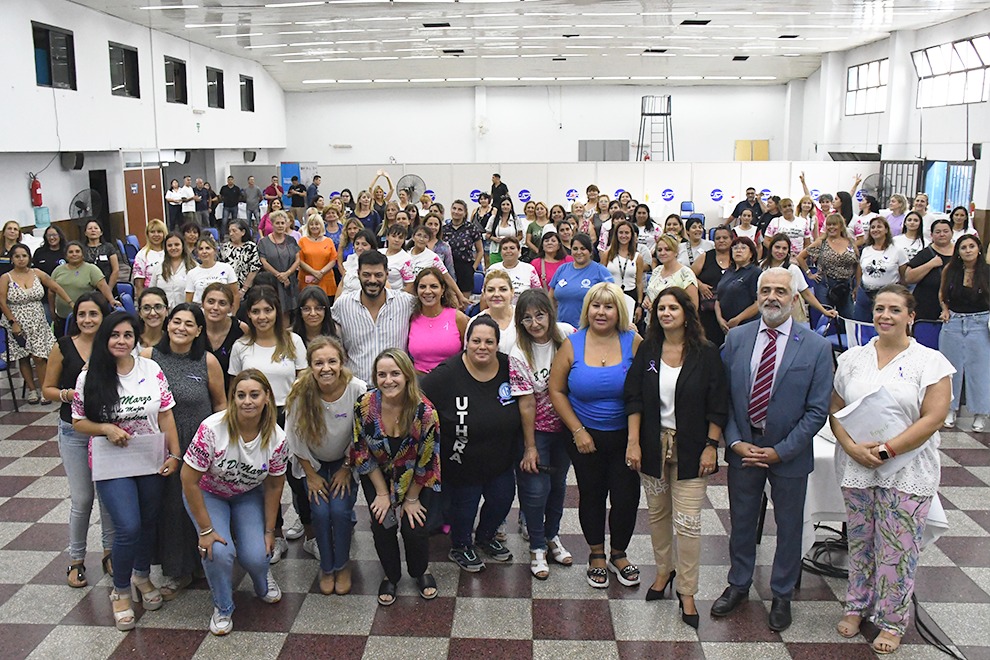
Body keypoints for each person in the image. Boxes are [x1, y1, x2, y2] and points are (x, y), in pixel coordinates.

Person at [829, 284, 954, 654]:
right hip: (857, 465)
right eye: (880, 308)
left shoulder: (929, 361)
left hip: (907, 468)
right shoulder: (853, 358)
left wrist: (886, 451)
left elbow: (933, 417)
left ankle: (892, 619)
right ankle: (856, 605)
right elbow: (835, 409)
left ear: (910, 317)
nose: (885, 315)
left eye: (895, 310)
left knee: (896, 548)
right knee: (861, 541)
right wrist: (851, 446)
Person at [711, 267, 833, 633]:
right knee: (743, 521)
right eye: (765, 290)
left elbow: (817, 410)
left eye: (781, 291)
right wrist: (733, 441)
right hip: (744, 447)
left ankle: (782, 593)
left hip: (789, 452)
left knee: (790, 525)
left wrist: (782, 450)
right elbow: (724, 399)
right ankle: (738, 584)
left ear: (795, 298)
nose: (771, 297)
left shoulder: (816, 346)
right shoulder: (736, 340)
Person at [71, 311, 182, 631]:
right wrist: (105, 427)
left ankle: (142, 576)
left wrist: (174, 454)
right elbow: (78, 422)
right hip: (111, 462)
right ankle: (120, 590)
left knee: (148, 522)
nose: (121, 341)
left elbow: (166, 415)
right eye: (115, 335)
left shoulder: (151, 369)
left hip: (149, 458)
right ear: (105, 338)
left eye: (127, 336)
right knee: (128, 526)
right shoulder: (90, 376)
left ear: (136, 339)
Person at [625, 286, 727, 626]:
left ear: (686, 312)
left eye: (673, 308)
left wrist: (712, 445)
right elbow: (634, 398)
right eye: (661, 308)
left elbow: (718, 403)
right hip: (653, 445)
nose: (666, 313)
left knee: (688, 523)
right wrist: (634, 442)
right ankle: (663, 572)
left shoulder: (706, 352)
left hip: (692, 448)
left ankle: (687, 591)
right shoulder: (649, 350)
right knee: (657, 515)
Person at [421, 317, 536, 573]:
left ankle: (485, 538)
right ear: (466, 342)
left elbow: (528, 401)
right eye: (476, 341)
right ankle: (460, 546)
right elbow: (418, 398)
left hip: (501, 459)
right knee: (465, 509)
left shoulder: (509, 367)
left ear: (497, 344)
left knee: (502, 500)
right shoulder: (448, 373)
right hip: (462, 463)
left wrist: (530, 446)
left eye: (489, 341)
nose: (482, 347)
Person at [548, 283, 643, 589]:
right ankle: (597, 555)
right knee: (592, 493)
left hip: (626, 436)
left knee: (626, 496)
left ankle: (619, 554)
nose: (601, 312)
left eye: (609, 306)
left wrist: (634, 439)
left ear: (620, 311)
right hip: (584, 437)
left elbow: (643, 392)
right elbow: (556, 390)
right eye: (596, 306)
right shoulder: (572, 343)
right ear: (587, 309)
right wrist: (577, 430)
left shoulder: (635, 341)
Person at [181, 369, 286, 636]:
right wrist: (205, 530)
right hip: (208, 492)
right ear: (233, 398)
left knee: (257, 554)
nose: (247, 401)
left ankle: (262, 579)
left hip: (247, 494)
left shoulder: (277, 437)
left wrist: (269, 531)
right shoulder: (212, 429)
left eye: (254, 395)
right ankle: (223, 606)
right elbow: (188, 480)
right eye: (240, 395)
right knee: (218, 552)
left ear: (266, 398)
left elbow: (274, 485)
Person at [143, 304, 226, 601]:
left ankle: (203, 562)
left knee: (195, 505)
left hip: (198, 447)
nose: (181, 328)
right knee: (168, 508)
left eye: (189, 324)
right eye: (176, 321)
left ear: (199, 330)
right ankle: (177, 569)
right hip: (160, 445)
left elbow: (220, 405)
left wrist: (221, 444)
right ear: (167, 325)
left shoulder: (208, 361)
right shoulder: (149, 357)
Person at [229, 285, 310, 562]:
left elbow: (304, 379)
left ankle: (308, 531)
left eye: (268, 310)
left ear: (278, 311)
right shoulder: (242, 346)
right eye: (255, 311)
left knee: (297, 477)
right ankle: (274, 535)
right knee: (264, 480)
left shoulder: (293, 341)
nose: (262, 316)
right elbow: (235, 388)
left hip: (290, 414)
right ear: (248, 314)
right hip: (256, 418)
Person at [352, 349, 441, 604]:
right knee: (383, 524)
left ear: (407, 376)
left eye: (395, 373)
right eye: (381, 375)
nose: (388, 380)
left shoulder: (425, 412)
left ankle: (419, 570)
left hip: (416, 477)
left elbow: (428, 459)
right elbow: (361, 452)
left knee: (415, 527)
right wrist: (382, 493)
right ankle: (391, 575)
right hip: (377, 475)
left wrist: (411, 499)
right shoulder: (364, 405)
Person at [41, 293, 114, 588]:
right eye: (82, 314)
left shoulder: (111, 345)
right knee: (82, 498)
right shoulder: (62, 347)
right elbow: (47, 387)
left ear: (103, 316)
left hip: (106, 430)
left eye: (93, 314)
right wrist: (66, 395)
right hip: (73, 431)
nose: (87, 320)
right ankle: (76, 559)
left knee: (108, 497)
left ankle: (110, 553)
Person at [283, 337, 364, 595]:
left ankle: (342, 566)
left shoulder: (357, 389)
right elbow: (294, 436)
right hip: (312, 462)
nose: (325, 368)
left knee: (339, 512)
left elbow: (361, 433)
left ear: (342, 363)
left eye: (332, 361)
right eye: (318, 363)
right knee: (319, 512)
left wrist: (347, 467)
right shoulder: (300, 391)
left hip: (345, 461)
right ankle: (326, 567)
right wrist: (310, 475)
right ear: (310, 366)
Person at [510, 289, 575, 579]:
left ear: (550, 313)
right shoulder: (518, 352)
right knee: (536, 491)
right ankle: (537, 546)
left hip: (567, 428)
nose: (535, 323)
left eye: (540, 315)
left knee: (558, 486)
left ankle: (552, 537)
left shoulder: (568, 335)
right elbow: (525, 403)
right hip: (536, 431)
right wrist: (530, 447)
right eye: (527, 319)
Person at [0, 244, 70, 404]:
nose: (21, 259)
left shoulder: (37, 273)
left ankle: (46, 389)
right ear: (12, 259)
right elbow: (2, 302)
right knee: (23, 357)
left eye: (24, 255)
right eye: (17, 256)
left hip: (38, 321)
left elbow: (55, 287)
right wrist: (13, 322)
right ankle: (32, 390)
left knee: (39, 357)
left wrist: (71, 302)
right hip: (16, 322)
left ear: (29, 257)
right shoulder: (6, 278)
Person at [331, 250, 416, 382]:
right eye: (366, 275)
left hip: (395, 387)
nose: (372, 280)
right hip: (356, 387)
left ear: (387, 274)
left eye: (378, 275)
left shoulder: (406, 303)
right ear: (358, 274)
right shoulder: (343, 305)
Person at [939, 235, 989, 431]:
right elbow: (942, 294)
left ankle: (980, 412)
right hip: (954, 322)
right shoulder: (950, 270)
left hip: (981, 323)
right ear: (957, 252)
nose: (967, 250)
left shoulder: (987, 272)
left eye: (971, 246)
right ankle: (950, 409)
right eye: (963, 247)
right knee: (951, 369)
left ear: (978, 249)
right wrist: (944, 309)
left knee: (981, 371)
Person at [761, 234, 837, 326]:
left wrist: (824, 311)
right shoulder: (762, 267)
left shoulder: (793, 269)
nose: (780, 251)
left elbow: (807, 294)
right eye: (777, 247)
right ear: (771, 247)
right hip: (767, 312)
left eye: (784, 248)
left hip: (791, 312)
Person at [407, 267, 468, 375]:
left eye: (434, 286)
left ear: (443, 289)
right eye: (422, 287)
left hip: (452, 378)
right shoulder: (410, 318)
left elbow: (468, 352)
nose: (427, 291)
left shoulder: (458, 318)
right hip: (419, 381)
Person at [798, 214, 859, 319]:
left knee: (848, 318)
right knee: (826, 318)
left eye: (834, 224)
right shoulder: (821, 243)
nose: (831, 227)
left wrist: (857, 285)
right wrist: (809, 274)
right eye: (829, 225)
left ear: (841, 226)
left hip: (845, 286)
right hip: (825, 285)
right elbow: (800, 257)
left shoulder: (850, 243)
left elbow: (857, 264)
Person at [50, 241, 116, 339]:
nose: (74, 254)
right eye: (71, 252)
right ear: (66, 255)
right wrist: (52, 311)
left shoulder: (91, 269)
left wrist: (111, 300)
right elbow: (51, 292)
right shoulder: (58, 270)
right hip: (62, 317)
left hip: (85, 318)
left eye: (77, 251)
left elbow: (103, 286)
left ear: (83, 254)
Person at [549, 233, 614, 328]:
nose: (579, 252)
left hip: (588, 329)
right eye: (575, 249)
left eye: (583, 248)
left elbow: (614, 297)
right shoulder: (562, 269)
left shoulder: (600, 270)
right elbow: (551, 296)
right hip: (561, 328)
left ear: (590, 252)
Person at [854, 217, 908, 322]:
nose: (875, 229)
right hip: (865, 294)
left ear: (886, 230)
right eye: (873, 227)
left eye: (879, 226)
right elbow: (860, 270)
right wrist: (857, 287)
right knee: (861, 324)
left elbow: (903, 275)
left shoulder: (897, 250)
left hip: (887, 295)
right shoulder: (866, 250)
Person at [407, 225, 469, 307]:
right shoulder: (406, 255)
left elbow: (446, 276)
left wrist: (460, 296)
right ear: (413, 237)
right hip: (407, 297)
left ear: (428, 240)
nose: (421, 239)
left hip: (423, 297)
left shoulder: (433, 257)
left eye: (425, 237)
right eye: (419, 235)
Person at [905, 219, 954, 320]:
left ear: (952, 233)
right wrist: (930, 264)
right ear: (931, 235)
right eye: (938, 232)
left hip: (954, 305)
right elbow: (908, 277)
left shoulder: (959, 254)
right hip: (926, 305)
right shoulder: (925, 253)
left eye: (946, 231)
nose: (942, 234)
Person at [691, 225, 733, 345]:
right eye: (718, 238)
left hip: (730, 312)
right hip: (707, 313)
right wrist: (700, 285)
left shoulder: (737, 257)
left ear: (731, 239)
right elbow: (688, 275)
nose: (721, 240)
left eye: (725, 237)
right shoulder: (706, 256)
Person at [714, 236, 762, 335]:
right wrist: (719, 319)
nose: (738, 250)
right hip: (724, 326)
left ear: (751, 253)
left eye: (743, 248)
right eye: (735, 248)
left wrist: (738, 319)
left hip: (746, 326)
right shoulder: (728, 271)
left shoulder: (755, 272)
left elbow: (758, 303)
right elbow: (718, 299)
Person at [201, 282, 243, 392]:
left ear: (231, 308)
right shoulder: (193, 327)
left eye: (222, 303)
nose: (215, 307)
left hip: (231, 393)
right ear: (202, 303)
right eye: (210, 302)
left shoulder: (241, 330)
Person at [257, 210, 302, 315]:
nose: (280, 225)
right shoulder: (264, 242)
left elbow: (298, 259)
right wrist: (279, 276)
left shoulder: (291, 240)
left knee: (288, 312)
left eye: (283, 223)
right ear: (272, 224)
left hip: (289, 281)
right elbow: (263, 261)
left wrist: (286, 274)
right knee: (273, 310)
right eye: (277, 223)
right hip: (272, 281)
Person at [602, 220, 645, 324]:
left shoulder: (637, 257)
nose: (623, 235)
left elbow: (639, 282)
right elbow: (601, 279)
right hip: (611, 295)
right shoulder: (607, 254)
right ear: (616, 235)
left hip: (631, 295)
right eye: (621, 232)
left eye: (627, 233)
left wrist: (639, 305)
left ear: (632, 235)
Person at [645, 234, 700, 314]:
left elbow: (693, 307)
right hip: (652, 322)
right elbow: (650, 293)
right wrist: (647, 300)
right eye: (659, 250)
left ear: (675, 252)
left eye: (667, 249)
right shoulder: (657, 271)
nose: (662, 253)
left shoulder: (686, 274)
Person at [185, 235, 239, 307]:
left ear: (215, 250)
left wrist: (233, 315)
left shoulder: (226, 268)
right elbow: (188, 301)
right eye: (201, 249)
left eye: (208, 248)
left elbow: (235, 294)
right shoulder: (192, 273)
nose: (204, 251)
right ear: (197, 253)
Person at [471, 269, 518, 352]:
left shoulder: (523, 316)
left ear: (512, 292)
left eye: (503, 289)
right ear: (484, 294)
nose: (496, 294)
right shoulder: (475, 322)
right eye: (490, 290)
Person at [446, 199, 484, 294]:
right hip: (448, 269)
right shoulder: (444, 229)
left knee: (463, 304)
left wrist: (473, 268)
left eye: (460, 209)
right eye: (454, 208)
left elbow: (480, 251)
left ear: (465, 212)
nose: (456, 211)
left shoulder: (471, 228)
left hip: (465, 269)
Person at [148, 233, 196, 308]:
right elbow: (151, 292)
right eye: (169, 245)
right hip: (164, 313)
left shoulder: (194, 267)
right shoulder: (158, 268)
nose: (173, 248)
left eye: (177, 244)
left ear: (183, 246)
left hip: (186, 313)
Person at [298, 212, 339, 301]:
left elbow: (333, 260)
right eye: (311, 224)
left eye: (317, 224)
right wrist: (314, 273)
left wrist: (321, 273)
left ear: (321, 225)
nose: (314, 226)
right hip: (307, 280)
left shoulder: (329, 241)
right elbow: (300, 260)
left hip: (326, 280)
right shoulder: (302, 241)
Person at [487, 236, 540, 302]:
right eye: (505, 248)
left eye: (512, 248)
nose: (508, 251)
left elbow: (538, 295)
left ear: (519, 250)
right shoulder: (492, 269)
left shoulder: (529, 269)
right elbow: (485, 295)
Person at [220, 219, 262, 298]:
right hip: (227, 289)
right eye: (230, 231)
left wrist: (244, 289)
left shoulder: (251, 247)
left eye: (234, 231)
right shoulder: (225, 247)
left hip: (246, 289)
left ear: (243, 232)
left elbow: (254, 269)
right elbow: (221, 268)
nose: (231, 234)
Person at [82, 220, 120, 292]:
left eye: (96, 228)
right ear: (85, 233)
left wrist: (109, 289)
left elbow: (116, 270)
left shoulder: (109, 247)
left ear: (101, 232)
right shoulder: (82, 249)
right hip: (88, 288)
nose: (93, 230)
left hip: (108, 285)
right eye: (90, 228)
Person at [133, 219, 167, 297]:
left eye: (159, 232)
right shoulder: (141, 255)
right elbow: (139, 285)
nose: (156, 235)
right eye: (152, 232)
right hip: (152, 296)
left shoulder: (170, 251)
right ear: (147, 234)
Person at [486, 197, 523, 266]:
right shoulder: (493, 219)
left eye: (507, 204)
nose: (505, 206)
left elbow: (520, 235)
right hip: (496, 250)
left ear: (511, 206)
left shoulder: (516, 219)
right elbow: (487, 235)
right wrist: (494, 239)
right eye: (503, 204)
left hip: (512, 251)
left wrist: (511, 241)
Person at [380, 223, 415, 292]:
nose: (396, 240)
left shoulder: (406, 259)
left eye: (400, 238)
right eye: (393, 236)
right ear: (387, 236)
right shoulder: (379, 252)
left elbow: (410, 285)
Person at [136, 287, 169, 352]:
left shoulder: (173, 343)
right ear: (140, 313)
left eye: (158, 307)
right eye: (146, 308)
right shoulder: (131, 340)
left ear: (167, 311)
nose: (153, 313)